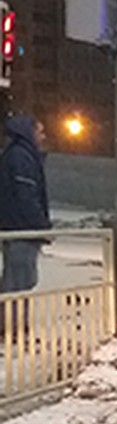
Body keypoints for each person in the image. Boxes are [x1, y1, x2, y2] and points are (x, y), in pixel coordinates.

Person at [0, 115, 51, 296]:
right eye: (40, 132)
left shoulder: (19, 155)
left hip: (19, 229)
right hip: (21, 230)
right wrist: (41, 226)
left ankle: (13, 321)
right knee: (19, 283)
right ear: (28, 133)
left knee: (19, 281)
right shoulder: (21, 157)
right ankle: (13, 323)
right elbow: (26, 197)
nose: (43, 137)